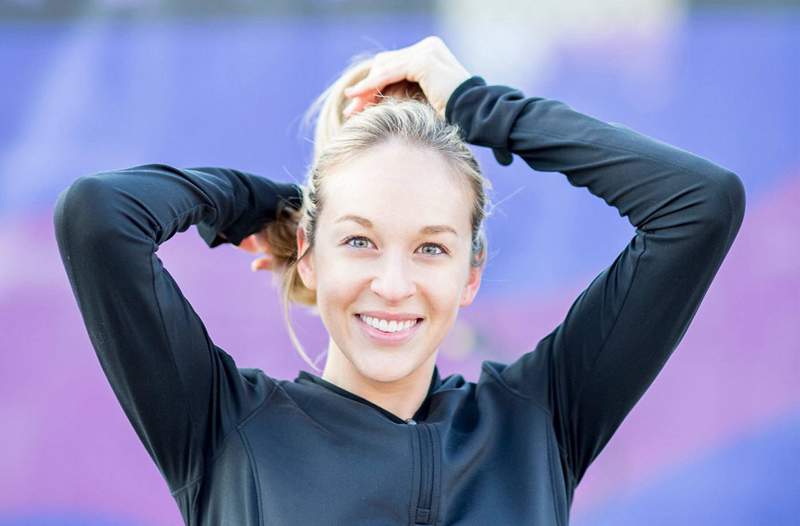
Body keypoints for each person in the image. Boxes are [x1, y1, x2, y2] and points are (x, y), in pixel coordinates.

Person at [53, 36, 745, 525]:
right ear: (311, 253)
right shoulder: (222, 428)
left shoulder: (539, 419)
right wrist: (260, 203)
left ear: (471, 274)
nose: (393, 284)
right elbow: (98, 218)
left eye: (430, 249)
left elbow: (699, 205)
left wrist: (479, 105)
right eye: (359, 240)